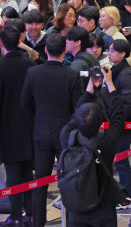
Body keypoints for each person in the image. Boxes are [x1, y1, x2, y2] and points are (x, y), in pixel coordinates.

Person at [20, 34, 83, 227]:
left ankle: (37, 222)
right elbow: (78, 107)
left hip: (41, 131)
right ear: (64, 51)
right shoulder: (72, 75)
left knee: (40, 181)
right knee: (68, 180)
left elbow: (24, 103)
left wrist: (38, 117)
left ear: (45, 50)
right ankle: (70, 221)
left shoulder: (33, 73)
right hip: (65, 134)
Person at [62, 72, 123, 226]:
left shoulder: (67, 137)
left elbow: (75, 115)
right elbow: (118, 116)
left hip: (76, 205)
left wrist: (89, 88)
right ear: (101, 122)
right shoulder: (105, 142)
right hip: (103, 207)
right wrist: (110, 83)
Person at [0, 26, 35, 226]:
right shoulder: (30, 65)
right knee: (28, 171)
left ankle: (16, 216)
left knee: (13, 173)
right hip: (29, 125)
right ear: (19, 42)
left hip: (8, 127)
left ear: (1, 44)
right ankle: (31, 214)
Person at [106, 39, 131, 207]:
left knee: (122, 160)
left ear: (122, 54)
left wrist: (119, 121)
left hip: (123, 125)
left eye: (113, 51)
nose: (109, 53)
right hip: (118, 123)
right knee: (119, 160)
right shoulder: (116, 70)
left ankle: (127, 196)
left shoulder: (125, 74)